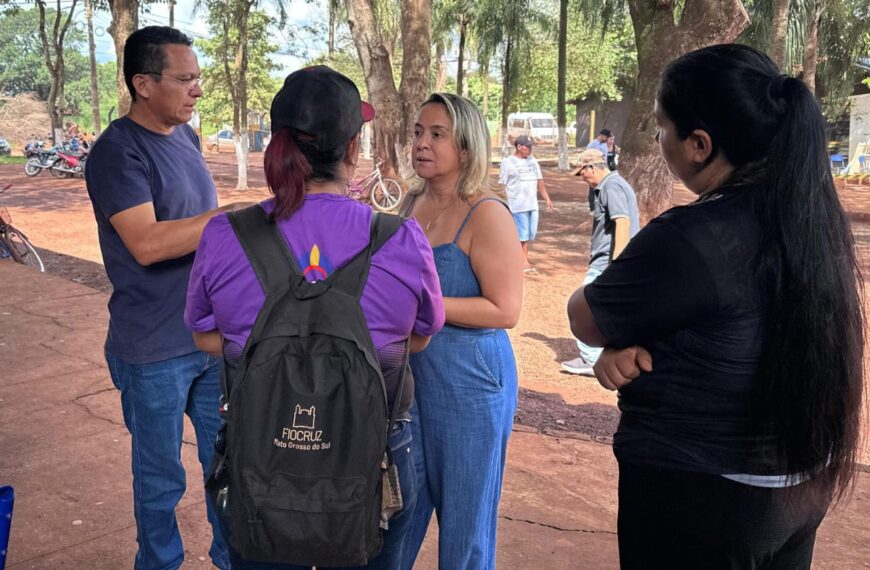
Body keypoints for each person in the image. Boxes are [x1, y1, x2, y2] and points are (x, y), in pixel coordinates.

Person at [567, 44, 864, 568]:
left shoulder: (692, 237)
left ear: (699, 144)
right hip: (796, 490)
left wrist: (623, 339)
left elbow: (584, 317)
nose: (658, 140)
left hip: (704, 495)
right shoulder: (811, 220)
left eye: (662, 128)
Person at [184, 65, 445, 570]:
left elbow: (205, 337)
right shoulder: (400, 238)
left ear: (279, 144)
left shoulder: (227, 234)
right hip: (373, 454)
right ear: (352, 148)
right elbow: (420, 340)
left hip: (261, 452)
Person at [85, 26, 251, 570]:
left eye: (197, 78)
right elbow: (147, 244)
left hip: (207, 338)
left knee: (227, 466)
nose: (196, 90)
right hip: (151, 348)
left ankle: (233, 561)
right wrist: (226, 221)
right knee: (160, 479)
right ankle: (158, 563)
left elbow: (201, 235)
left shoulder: (186, 138)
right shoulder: (117, 152)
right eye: (184, 79)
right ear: (143, 83)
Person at [398, 93, 523, 570]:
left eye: (436, 135)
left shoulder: (486, 213)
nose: (421, 144)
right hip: (411, 381)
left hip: (471, 384)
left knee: (466, 528)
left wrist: (426, 308)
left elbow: (504, 309)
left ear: (466, 149)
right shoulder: (411, 202)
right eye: (417, 132)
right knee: (396, 514)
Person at [560, 149, 638, 376]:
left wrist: (616, 265)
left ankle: (591, 359)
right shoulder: (611, 185)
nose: (583, 178)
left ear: (591, 168)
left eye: (582, 173)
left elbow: (621, 222)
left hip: (607, 262)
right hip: (609, 261)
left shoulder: (611, 186)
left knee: (585, 306)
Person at [499, 134, 553, 273]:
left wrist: (546, 198)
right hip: (517, 205)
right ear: (519, 147)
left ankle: (516, 259)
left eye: (530, 146)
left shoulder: (533, 161)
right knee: (522, 236)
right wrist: (501, 203)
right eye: (527, 146)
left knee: (529, 235)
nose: (530, 149)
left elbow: (539, 180)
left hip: (532, 205)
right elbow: (502, 184)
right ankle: (523, 262)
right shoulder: (508, 162)